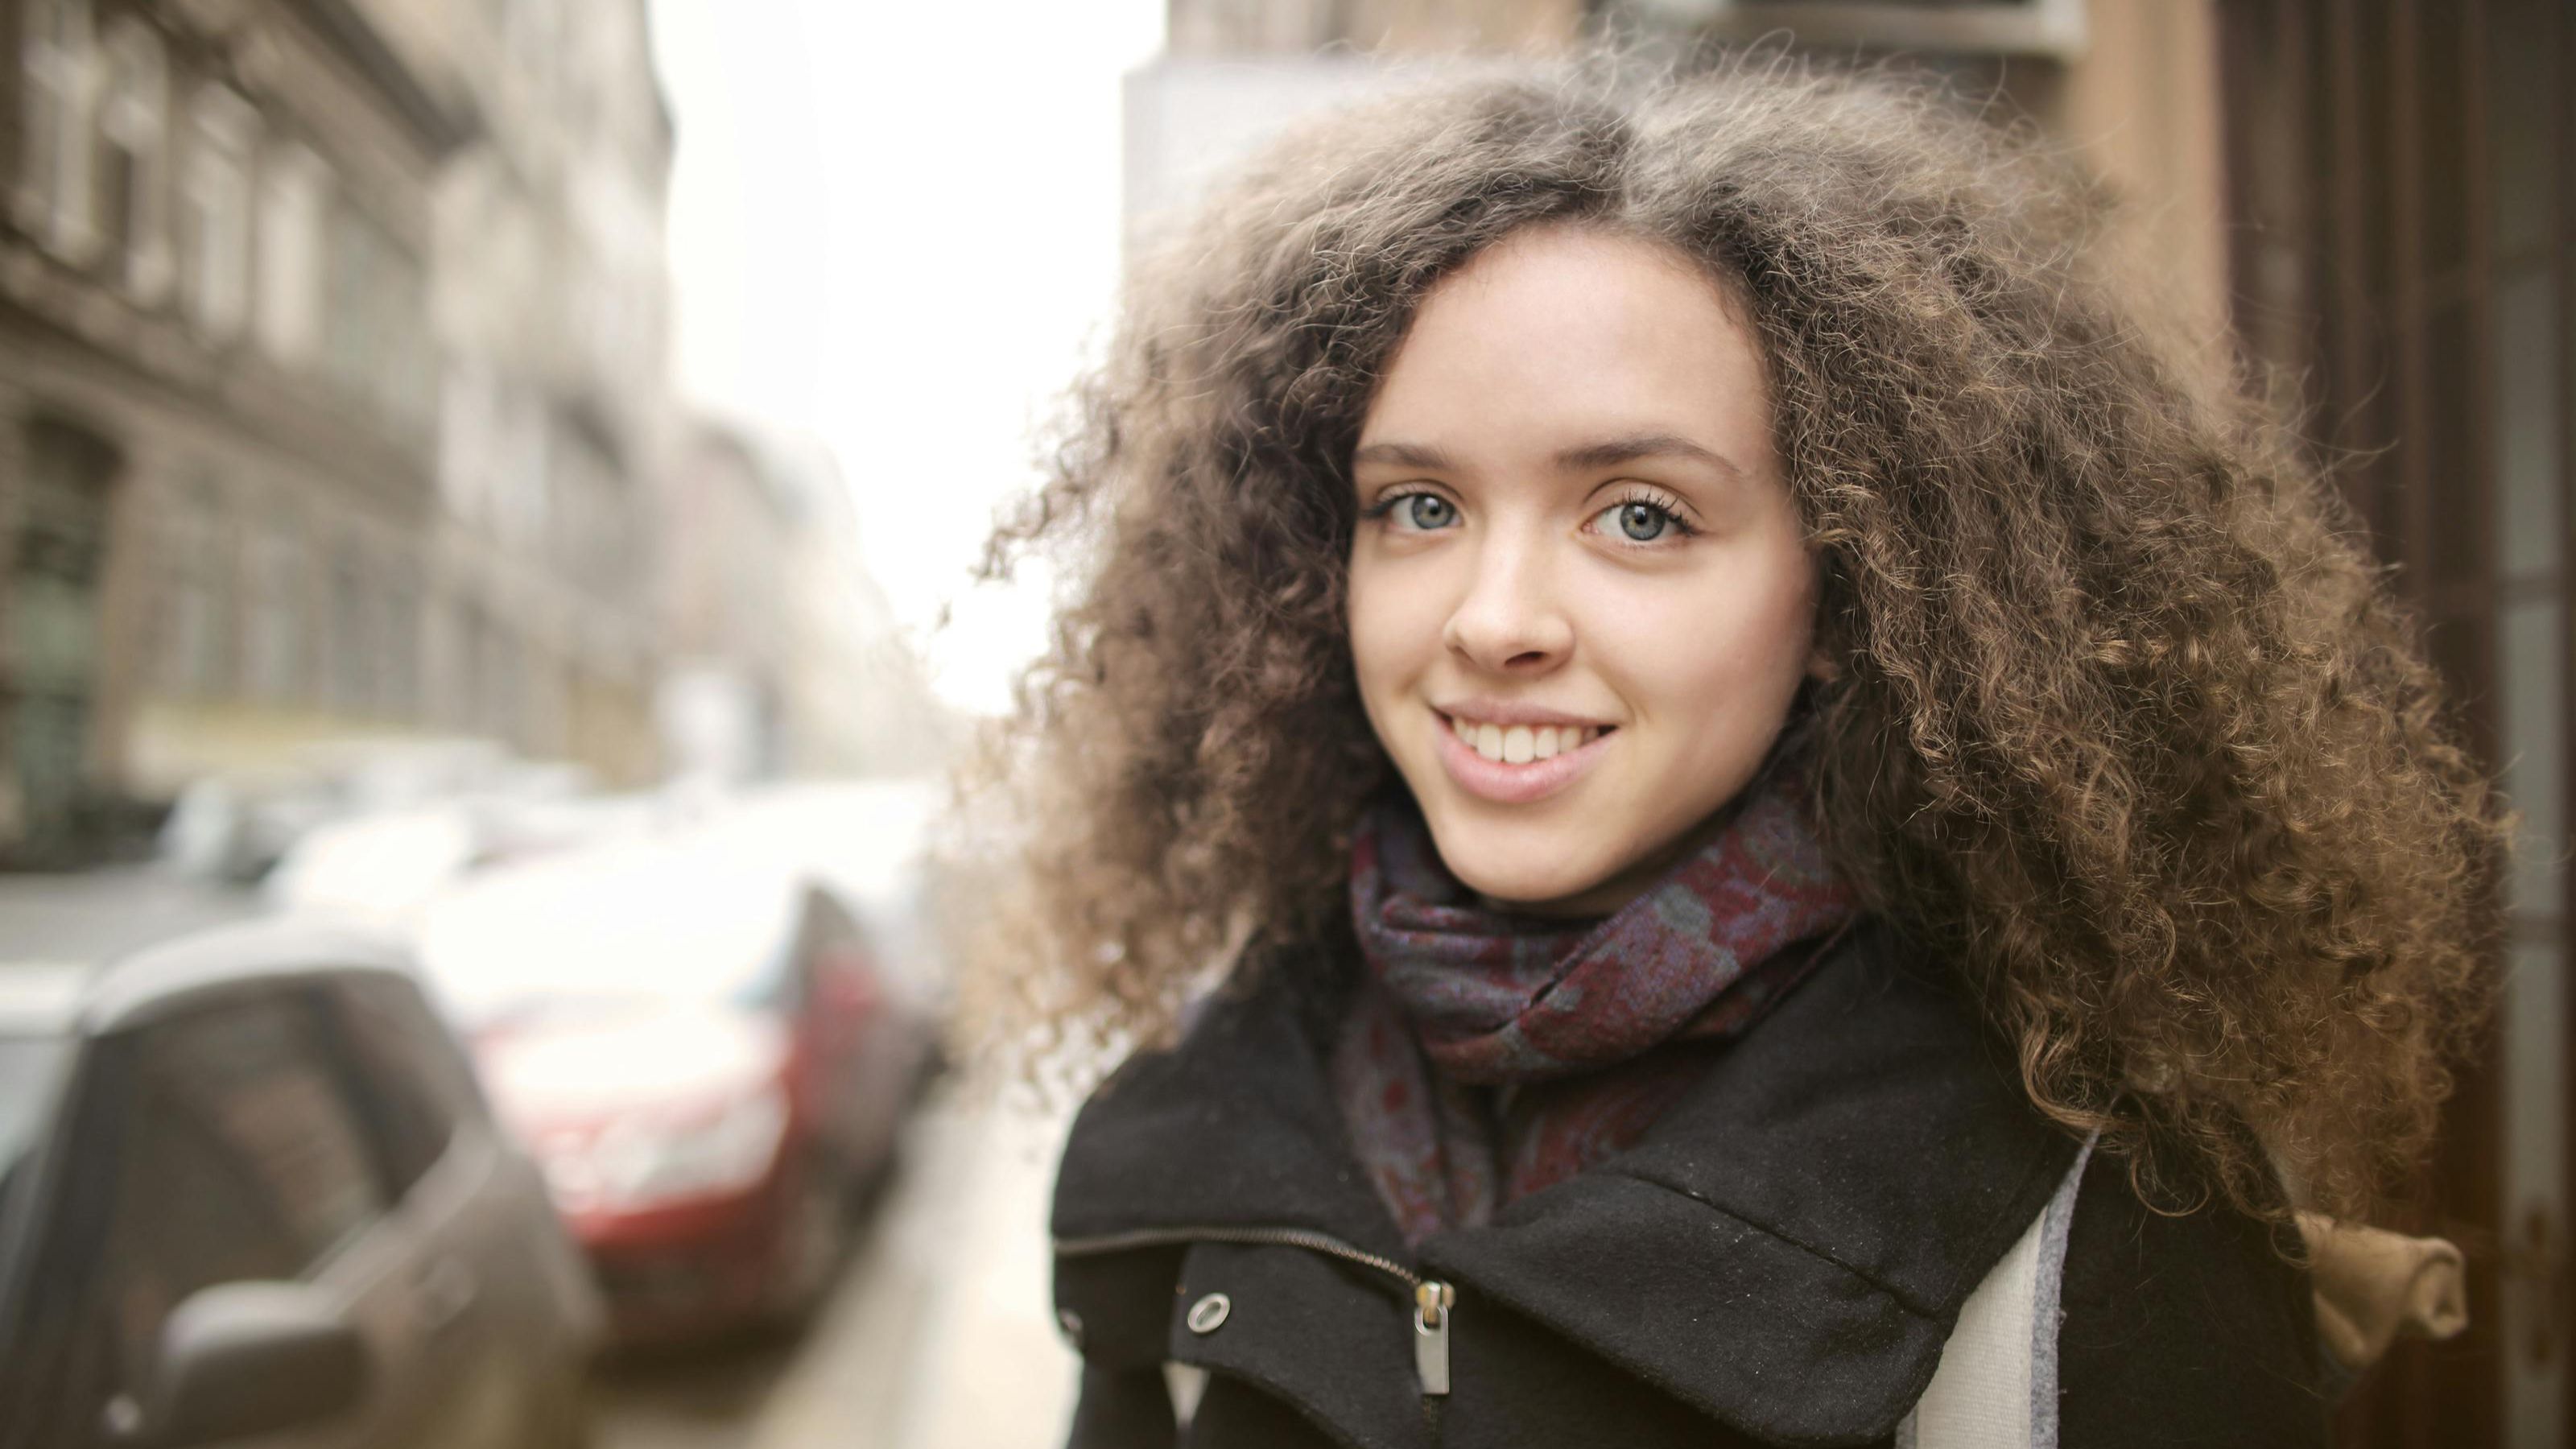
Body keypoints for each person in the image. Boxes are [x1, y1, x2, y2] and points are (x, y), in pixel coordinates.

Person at [964, 52, 2504, 1449]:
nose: (1494, 620)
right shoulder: (1178, 1149)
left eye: (1641, 514)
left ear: (1843, 593)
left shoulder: (2098, 1225)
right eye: (1419, 507)